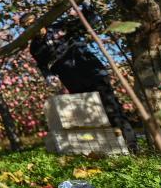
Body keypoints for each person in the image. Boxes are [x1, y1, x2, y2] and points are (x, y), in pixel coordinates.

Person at [22, 10, 139, 152]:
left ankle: (131, 145)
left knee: (110, 105)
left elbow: (88, 22)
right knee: (88, 111)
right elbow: (42, 65)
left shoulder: (61, 26)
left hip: (89, 68)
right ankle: (105, 149)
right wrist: (48, 76)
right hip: (70, 77)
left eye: (32, 23)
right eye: (27, 26)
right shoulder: (35, 47)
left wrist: (87, 8)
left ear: (40, 20)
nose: (31, 27)